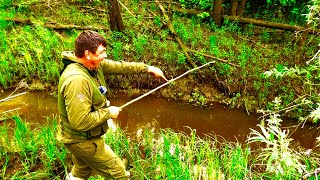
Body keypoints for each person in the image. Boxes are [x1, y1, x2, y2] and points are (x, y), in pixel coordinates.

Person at [57, 30, 167, 180]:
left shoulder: (93, 65)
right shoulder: (77, 81)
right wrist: (108, 113)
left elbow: (120, 67)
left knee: (82, 171)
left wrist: (147, 68)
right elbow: (79, 121)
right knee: (119, 174)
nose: (105, 56)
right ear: (88, 54)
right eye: (102, 52)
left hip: (79, 137)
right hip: (81, 140)